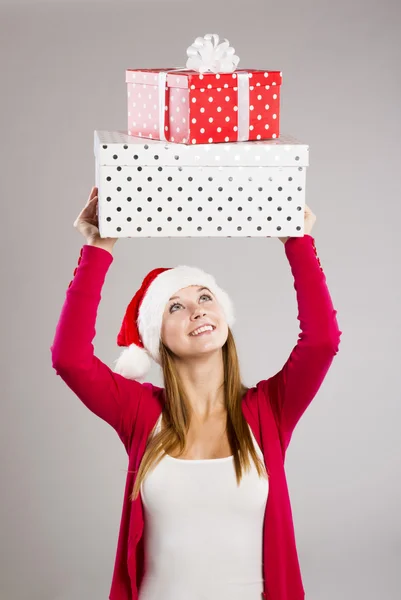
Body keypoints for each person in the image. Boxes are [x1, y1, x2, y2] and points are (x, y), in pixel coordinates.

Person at [51, 185, 341, 600]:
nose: (197, 309)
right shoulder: (139, 413)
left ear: (223, 315)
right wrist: (99, 247)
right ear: (158, 339)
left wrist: (297, 241)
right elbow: (70, 359)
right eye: (175, 306)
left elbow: (322, 343)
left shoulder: (269, 411)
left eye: (205, 297)